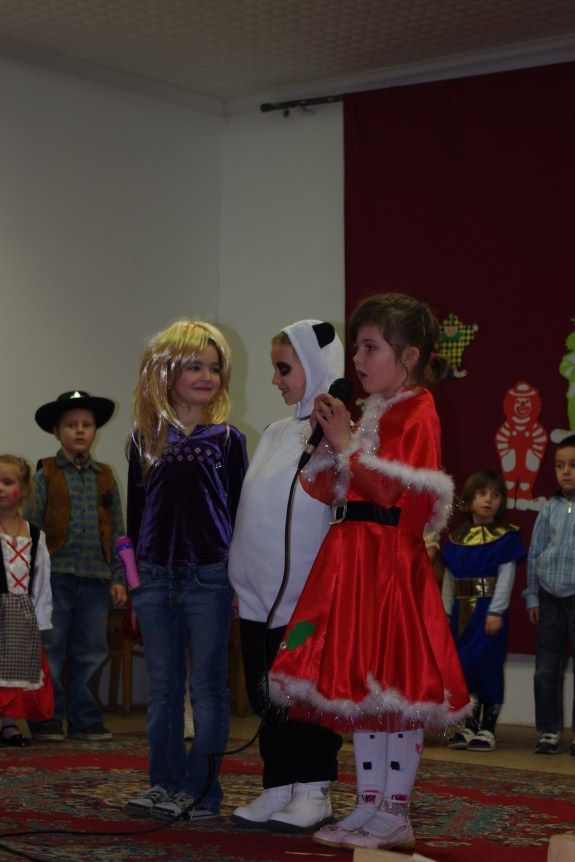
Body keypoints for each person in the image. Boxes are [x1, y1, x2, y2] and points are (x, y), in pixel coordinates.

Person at [269, 292, 471, 852]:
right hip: (353, 560)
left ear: (408, 356)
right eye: (357, 348)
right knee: (364, 687)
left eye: (369, 347)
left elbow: (388, 491)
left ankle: (395, 810)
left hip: (387, 567)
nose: (357, 360)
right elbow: (327, 488)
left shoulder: (419, 410)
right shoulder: (375, 412)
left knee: (395, 688)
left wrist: (346, 444)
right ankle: (368, 802)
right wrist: (330, 445)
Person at [125, 319, 248, 821]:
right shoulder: (143, 439)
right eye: (195, 366)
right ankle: (163, 783)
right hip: (154, 577)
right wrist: (135, 585)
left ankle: (201, 790)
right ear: (166, 372)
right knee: (164, 688)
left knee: (207, 689)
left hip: (209, 577)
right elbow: (134, 519)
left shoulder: (228, 440)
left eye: (214, 369)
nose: (206, 377)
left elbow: (239, 513)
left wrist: (239, 580)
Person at [229, 320, 344, 832]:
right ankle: (278, 783)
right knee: (267, 692)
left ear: (316, 366)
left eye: (284, 368)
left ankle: (312, 788)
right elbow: (253, 510)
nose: (275, 380)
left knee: (304, 694)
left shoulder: (336, 435)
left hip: (304, 599)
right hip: (259, 597)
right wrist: (240, 581)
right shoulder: (276, 433)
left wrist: (335, 436)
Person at [26, 391, 127, 743]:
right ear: (57, 432)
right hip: (55, 579)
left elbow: (118, 531)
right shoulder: (45, 474)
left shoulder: (105, 477)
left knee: (91, 651)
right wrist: (31, 579)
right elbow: (31, 527)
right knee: (51, 649)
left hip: (97, 579)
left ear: (95, 431)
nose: (80, 431)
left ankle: (85, 719)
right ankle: (47, 719)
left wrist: (119, 578)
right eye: (71, 425)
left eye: (87, 424)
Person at [442, 469, 527, 752]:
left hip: (488, 613)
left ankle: (488, 728)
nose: (489, 499)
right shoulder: (455, 539)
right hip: (461, 615)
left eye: (495, 495)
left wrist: (496, 611)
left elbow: (506, 577)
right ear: (469, 500)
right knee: (464, 668)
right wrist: (445, 614)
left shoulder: (506, 538)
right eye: (482, 494)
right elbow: (450, 581)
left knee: (488, 668)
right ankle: (468, 725)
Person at [523, 433, 575, 755]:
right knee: (546, 668)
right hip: (549, 599)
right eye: (560, 465)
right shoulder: (549, 510)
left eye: (573, 465)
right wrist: (532, 596)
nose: (566, 471)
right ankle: (549, 730)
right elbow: (534, 554)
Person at [0, 455, 53, 746]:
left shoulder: (34, 535)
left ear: (23, 489)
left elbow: (42, 579)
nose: (0, 488)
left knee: (15, 669)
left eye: (7, 482)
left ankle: (9, 725)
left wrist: (40, 619)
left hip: (20, 614)